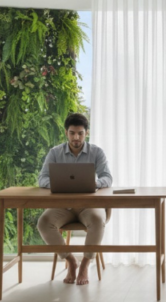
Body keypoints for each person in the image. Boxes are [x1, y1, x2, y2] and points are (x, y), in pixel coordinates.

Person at [36, 113, 113, 285]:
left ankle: (85, 264)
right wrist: (57, 183)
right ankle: (71, 260)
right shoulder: (55, 153)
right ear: (66, 132)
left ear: (86, 133)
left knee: (97, 219)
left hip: (89, 205)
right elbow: (42, 178)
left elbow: (107, 177)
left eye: (80, 133)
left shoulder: (96, 152)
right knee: (44, 222)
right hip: (63, 206)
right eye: (72, 133)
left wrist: (95, 183)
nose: (76, 137)